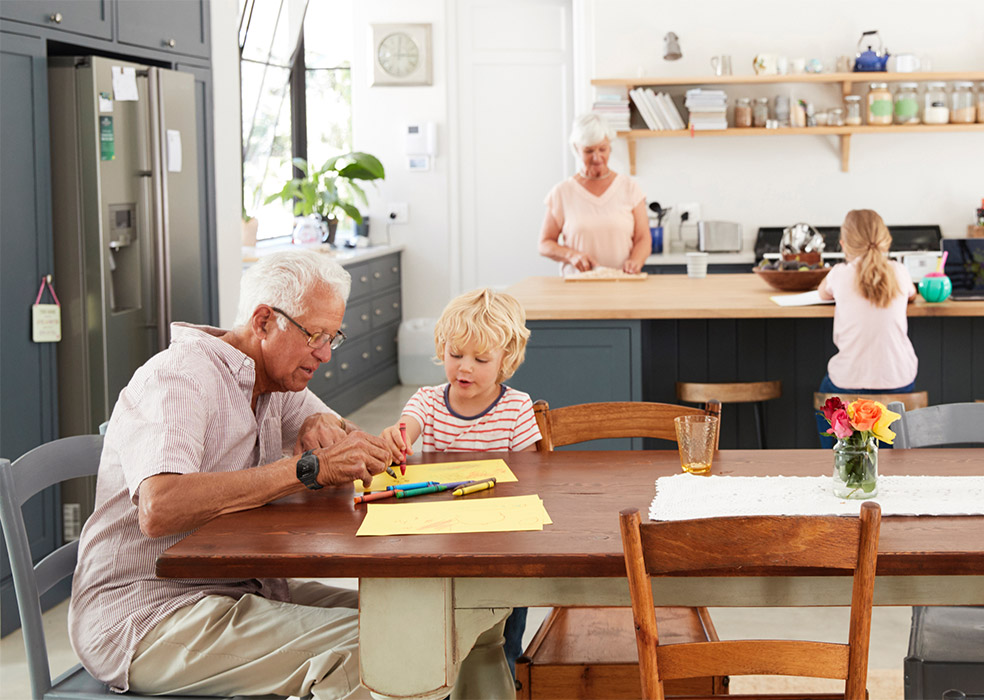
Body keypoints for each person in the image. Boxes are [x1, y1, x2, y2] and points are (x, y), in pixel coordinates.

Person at [67, 250, 511, 700]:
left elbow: (356, 443)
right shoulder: (179, 378)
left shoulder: (274, 383)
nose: (325, 354)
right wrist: (305, 470)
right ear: (264, 322)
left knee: (451, 620)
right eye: (315, 335)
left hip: (243, 588)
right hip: (149, 615)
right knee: (386, 651)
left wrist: (333, 430)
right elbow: (159, 507)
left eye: (332, 337)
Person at [381, 288, 541, 673]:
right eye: (455, 355)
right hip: (442, 539)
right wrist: (397, 439)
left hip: (501, 544)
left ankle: (503, 678)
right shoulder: (428, 402)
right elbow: (407, 429)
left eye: (480, 358)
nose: (464, 367)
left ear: (507, 360)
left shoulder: (517, 408)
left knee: (502, 637)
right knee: (444, 629)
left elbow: (535, 477)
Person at [815, 209, 918, 447]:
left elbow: (822, 293)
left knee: (826, 397)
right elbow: (912, 294)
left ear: (843, 244)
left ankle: (840, 458)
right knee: (889, 433)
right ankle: (892, 458)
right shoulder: (900, 272)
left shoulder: (839, 274)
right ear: (886, 240)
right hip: (899, 381)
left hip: (847, 382)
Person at [538, 112, 652, 276]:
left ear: (610, 147)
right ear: (576, 149)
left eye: (602, 149)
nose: (597, 157)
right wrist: (571, 255)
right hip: (577, 288)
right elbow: (544, 243)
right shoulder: (562, 192)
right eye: (589, 151)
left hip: (621, 286)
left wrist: (636, 261)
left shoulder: (630, 188)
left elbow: (643, 239)